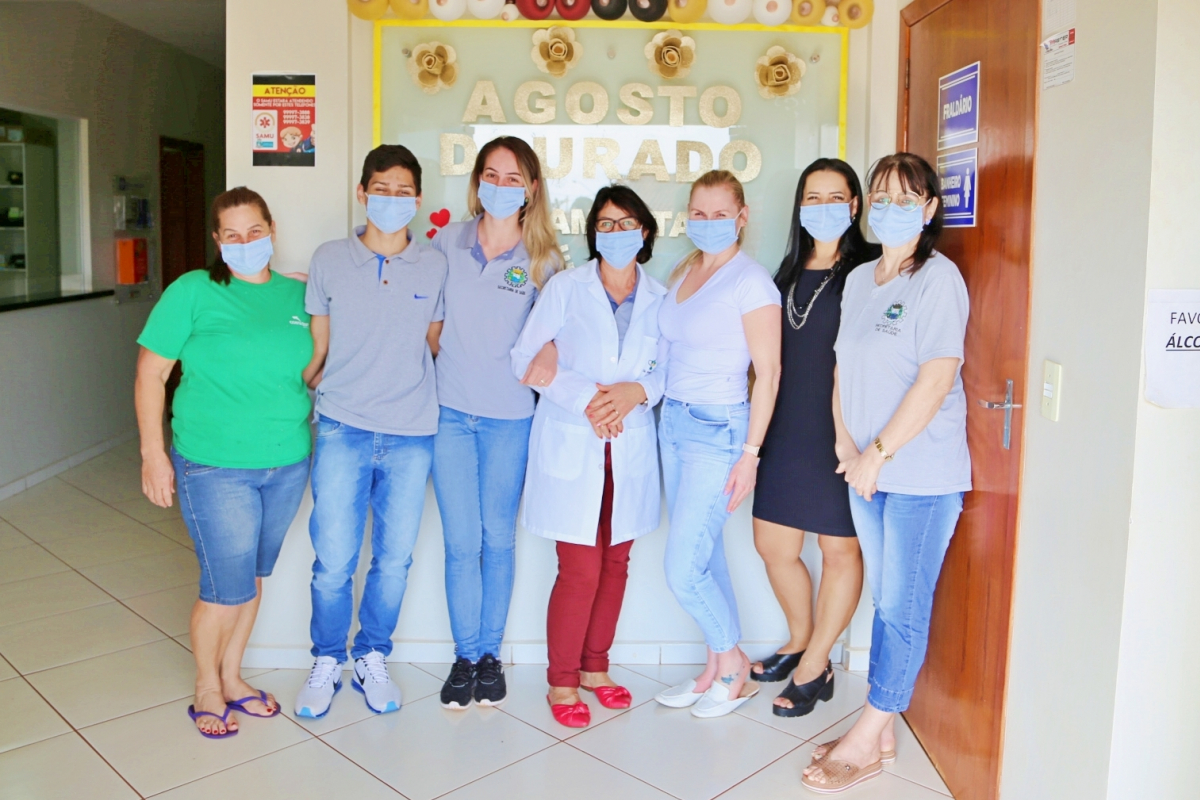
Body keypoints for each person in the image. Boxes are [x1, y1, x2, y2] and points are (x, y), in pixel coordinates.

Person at [802, 153, 970, 792]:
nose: (890, 208)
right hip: (865, 472)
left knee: (901, 606)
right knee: (886, 598)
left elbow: (937, 378)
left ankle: (865, 734)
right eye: (880, 196)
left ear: (929, 210)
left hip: (920, 475)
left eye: (905, 198)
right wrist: (847, 445)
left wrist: (878, 453)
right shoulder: (858, 280)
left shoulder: (939, 280)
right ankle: (884, 733)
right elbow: (842, 369)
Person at [135, 187, 317, 738]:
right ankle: (207, 688)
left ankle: (233, 678)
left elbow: (315, 367)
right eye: (232, 235)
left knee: (251, 578)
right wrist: (152, 453)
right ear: (217, 240)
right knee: (223, 587)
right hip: (214, 466)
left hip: (287, 463)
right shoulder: (193, 291)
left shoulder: (300, 295)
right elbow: (150, 374)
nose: (245, 242)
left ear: (272, 230)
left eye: (254, 231)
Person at [293, 145, 448, 718]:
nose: (391, 199)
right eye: (381, 189)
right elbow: (319, 346)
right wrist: (303, 394)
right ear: (362, 193)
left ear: (418, 199)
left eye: (403, 191)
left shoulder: (434, 265)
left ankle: (371, 655)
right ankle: (327, 659)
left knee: (394, 559)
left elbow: (434, 343)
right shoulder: (330, 259)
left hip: (411, 432)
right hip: (342, 427)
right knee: (333, 560)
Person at [511, 186, 667, 729]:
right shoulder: (565, 288)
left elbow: (668, 370)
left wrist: (636, 392)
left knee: (616, 565)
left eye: (627, 223)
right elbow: (525, 358)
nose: (616, 233)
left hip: (628, 444)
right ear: (593, 233)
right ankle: (562, 680)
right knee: (579, 569)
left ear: (645, 231)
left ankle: (596, 669)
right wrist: (589, 400)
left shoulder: (662, 297)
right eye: (605, 223)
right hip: (575, 441)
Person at [429, 136, 562, 709]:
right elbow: (428, 321)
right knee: (461, 543)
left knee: (496, 540)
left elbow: (557, 338)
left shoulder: (544, 260)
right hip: (449, 416)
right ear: (477, 181)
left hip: (510, 419)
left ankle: (490, 656)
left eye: (513, 178)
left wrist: (548, 353)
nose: (501, 187)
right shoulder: (445, 243)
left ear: (531, 188)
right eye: (491, 175)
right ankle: (464, 657)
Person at [749, 159, 881, 719]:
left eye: (835, 197)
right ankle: (800, 637)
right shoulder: (783, 273)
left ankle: (816, 663)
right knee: (773, 545)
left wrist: (855, 440)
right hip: (784, 425)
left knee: (838, 550)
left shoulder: (871, 269)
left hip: (842, 431)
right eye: (812, 197)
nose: (822, 207)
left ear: (854, 205)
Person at [651, 170, 782, 719]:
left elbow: (769, 373)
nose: (707, 223)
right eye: (698, 214)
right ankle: (714, 670)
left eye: (720, 214)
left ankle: (734, 666)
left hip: (719, 429)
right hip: (674, 423)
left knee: (682, 568)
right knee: (704, 556)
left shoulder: (751, 282)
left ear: (742, 217)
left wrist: (750, 454)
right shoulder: (687, 270)